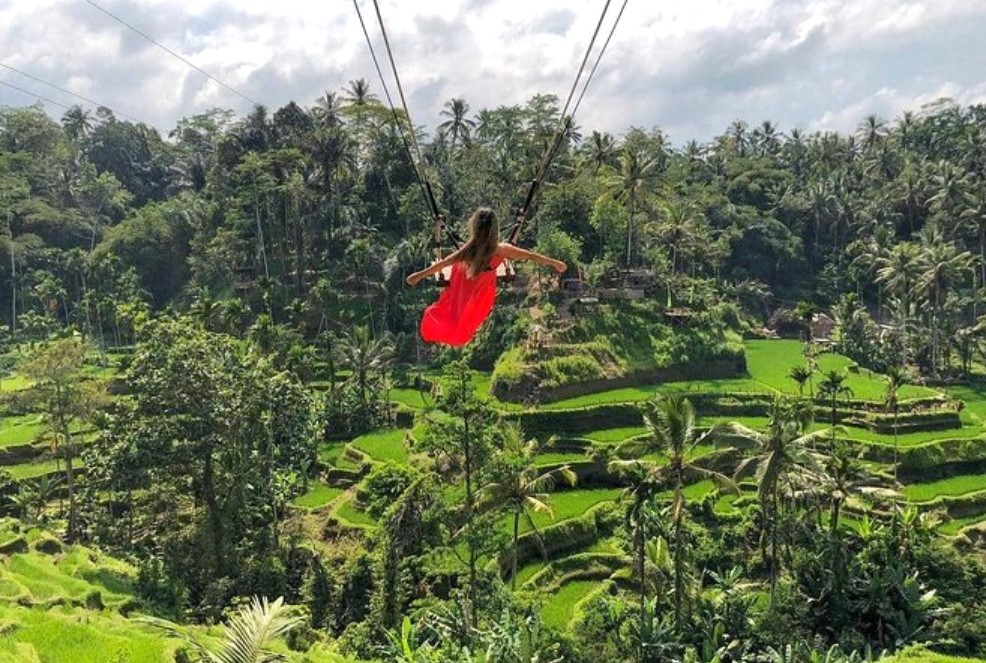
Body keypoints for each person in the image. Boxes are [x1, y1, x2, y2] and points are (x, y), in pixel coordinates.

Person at [405, 207, 566, 346]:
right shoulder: (501, 250)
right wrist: (555, 263)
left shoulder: (468, 250)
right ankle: (455, 332)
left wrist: (418, 276)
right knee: (462, 321)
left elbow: (444, 263)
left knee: (452, 312)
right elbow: (530, 256)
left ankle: (448, 329)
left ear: (475, 227)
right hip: (480, 292)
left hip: (464, 284)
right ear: (495, 230)